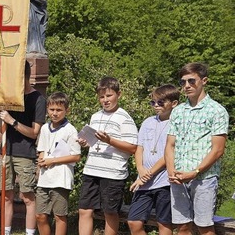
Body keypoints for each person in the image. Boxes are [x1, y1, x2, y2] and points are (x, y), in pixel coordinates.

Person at [165, 62, 228, 235]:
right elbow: (170, 144)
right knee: (182, 226)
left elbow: (218, 150)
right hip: (178, 177)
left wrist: (195, 172)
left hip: (204, 178)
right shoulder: (178, 111)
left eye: (191, 81)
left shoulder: (217, 111)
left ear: (204, 80)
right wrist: (171, 172)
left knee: (204, 227)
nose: (186, 86)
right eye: (183, 82)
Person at [77, 76, 138, 235]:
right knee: (84, 210)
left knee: (109, 212)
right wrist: (85, 142)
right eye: (101, 97)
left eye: (109, 95)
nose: (105, 100)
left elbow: (132, 148)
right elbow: (93, 142)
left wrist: (110, 140)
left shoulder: (125, 118)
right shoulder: (95, 116)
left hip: (112, 173)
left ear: (119, 94)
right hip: (91, 170)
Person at [0, 61, 46, 235]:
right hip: (6, 151)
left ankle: (29, 233)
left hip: (25, 154)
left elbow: (34, 132)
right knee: (6, 195)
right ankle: (6, 231)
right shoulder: (9, 97)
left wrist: (12, 121)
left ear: (24, 75)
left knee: (27, 197)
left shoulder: (38, 99)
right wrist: (1, 116)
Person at [127, 84, 179, 235]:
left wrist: (147, 174)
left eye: (161, 102)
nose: (156, 105)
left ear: (174, 103)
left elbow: (169, 153)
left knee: (164, 223)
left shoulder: (176, 123)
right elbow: (139, 148)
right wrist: (140, 170)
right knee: (134, 222)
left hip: (164, 181)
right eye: (153, 102)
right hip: (143, 181)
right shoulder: (147, 122)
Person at [35, 92, 81, 235]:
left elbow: (76, 156)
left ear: (67, 110)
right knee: (40, 215)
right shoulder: (44, 128)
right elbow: (41, 150)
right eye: (52, 110)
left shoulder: (70, 130)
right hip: (44, 179)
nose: (55, 113)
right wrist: (42, 160)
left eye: (59, 110)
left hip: (60, 179)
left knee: (59, 215)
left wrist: (52, 160)